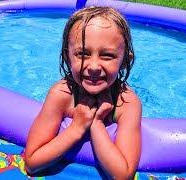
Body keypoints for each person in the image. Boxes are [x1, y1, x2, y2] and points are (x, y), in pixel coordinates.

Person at [25, 6, 142, 179]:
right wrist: (77, 128)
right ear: (67, 56)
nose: (93, 66)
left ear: (125, 61)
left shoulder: (127, 103)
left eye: (107, 56)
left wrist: (96, 124)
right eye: (82, 54)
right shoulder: (62, 95)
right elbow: (32, 163)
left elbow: (123, 175)